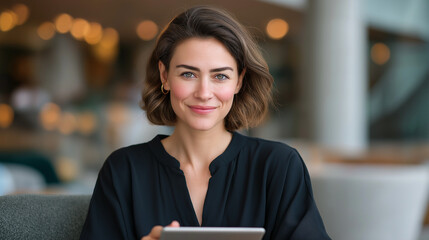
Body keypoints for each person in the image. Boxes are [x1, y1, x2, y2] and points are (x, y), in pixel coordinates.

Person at [80, 6, 331, 240]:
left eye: (220, 76)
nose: (204, 92)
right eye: (188, 74)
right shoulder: (123, 171)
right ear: (165, 76)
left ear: (239, 81)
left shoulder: (279, 167)